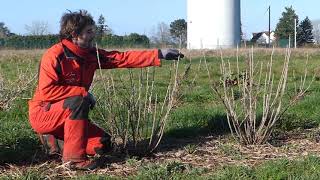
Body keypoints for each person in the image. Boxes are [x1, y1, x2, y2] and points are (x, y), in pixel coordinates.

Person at [28, 10, 183, 170]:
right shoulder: (54, 56)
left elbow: (121, 58)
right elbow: (47, 92)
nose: (93, 34)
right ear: (75, 34)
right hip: (44, 114)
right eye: (89, 31)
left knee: (103, 144)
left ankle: (53, 142)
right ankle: (74, 161)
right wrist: (82, 92)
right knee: (78, 101)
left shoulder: (90, 55)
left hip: (69, 117)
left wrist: (158, 54)